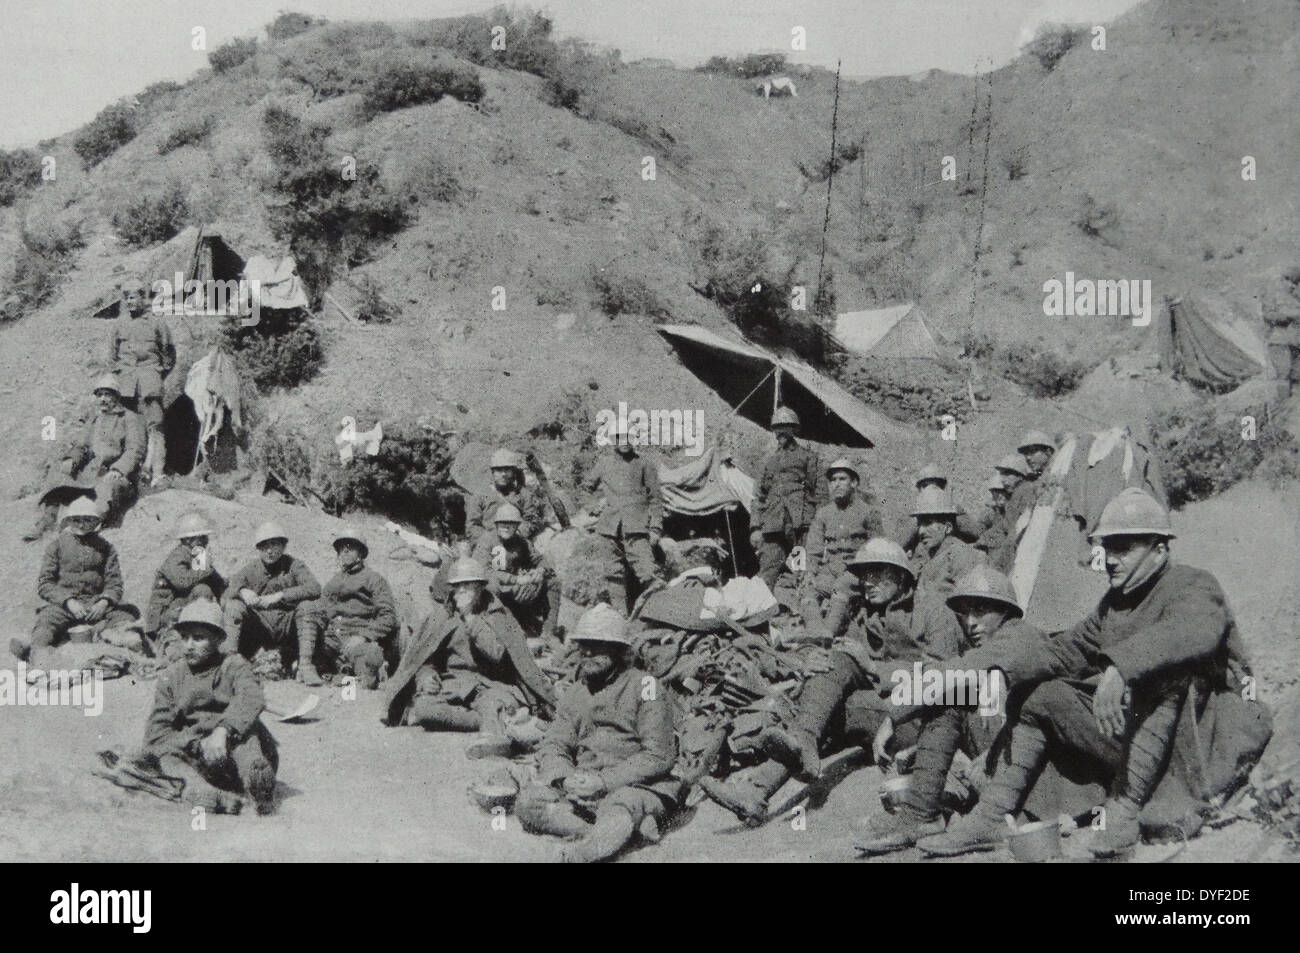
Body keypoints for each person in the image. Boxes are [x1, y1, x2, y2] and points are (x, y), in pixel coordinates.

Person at [918, 488, 1251, 858]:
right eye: (1107, 548)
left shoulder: (1192, 584)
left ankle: (1124, 810)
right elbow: (1065, 652)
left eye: (1124, 547)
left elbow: (1190, 633)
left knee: (1166, 676)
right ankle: (992, 817)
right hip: (1136, 740)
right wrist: (999, 671)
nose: (1110, 559)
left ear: (1160, 549)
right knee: (1038, 695)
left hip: (1198, 739)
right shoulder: (1115, 605)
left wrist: (1120, 667)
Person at [700, 538, 962, 826]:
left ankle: (763, 784)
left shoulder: (934, 611)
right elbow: (840, 656)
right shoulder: (866, 613)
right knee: (833, 666)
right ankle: (763, 785)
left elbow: (944, 676)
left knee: (829, 708)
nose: (867, 583)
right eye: (863, 575)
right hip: (875, 713)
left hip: (919, 721)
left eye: (876, 574)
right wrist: (808, 665)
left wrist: (874, 666)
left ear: (900, 575)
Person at [856, 564, 1042, 854]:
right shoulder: (996, 643)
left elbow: (955, 672)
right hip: (1008, 760)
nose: (971, 623)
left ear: (1006, 612)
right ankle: (921, 813)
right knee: (951, 695)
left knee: (952, 688)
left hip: (1039, 779)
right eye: (966, 613)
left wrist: (893, 715)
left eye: (980, 611)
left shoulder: (1019, 636)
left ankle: (923, 812)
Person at [515, 604, 680, 862]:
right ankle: (612, 833)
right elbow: (555, 743)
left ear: (620, 650)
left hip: (634, 785)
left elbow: (658, 755)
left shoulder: (645, 686)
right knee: (528, 801)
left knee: (622, 806)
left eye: (598, 645)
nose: (588, 652)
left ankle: (582, 855)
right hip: (581, 785)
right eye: (584, 645)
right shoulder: (576, 691)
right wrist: (564, 777)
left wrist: (604, 783)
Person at [383, 558, 556, 757]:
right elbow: (427, 659)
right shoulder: (443, 616)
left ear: (481, 587)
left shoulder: (498, 614)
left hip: (492, 686)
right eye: (457, 587)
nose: (462, 591)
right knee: (423, 709)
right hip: (454, 685)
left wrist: (470, 618)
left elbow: (496, 653)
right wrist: (426, 678)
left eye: (468, 586)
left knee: (493, 704)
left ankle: (495, 735)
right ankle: (496, 722)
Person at [143, 600, 278, 815]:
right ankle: (201, 789)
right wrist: (196, 745)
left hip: (233, 743)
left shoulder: (234, 665)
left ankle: (257, 783)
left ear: (218, 639)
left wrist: (223, 731)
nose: (189, 645)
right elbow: (157, 735)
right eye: (184, 637)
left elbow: (252, 696)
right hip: (196, 754)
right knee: (164, 756)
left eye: (198, 638)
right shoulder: (172, 676)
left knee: (248, 737)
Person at [16, 496, 141, 665]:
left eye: (87, 520)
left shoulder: (106, 548)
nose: (81, 525)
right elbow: (45, 583)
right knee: (46, 622)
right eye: (76, 520)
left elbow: (115, 583)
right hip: (64, 606)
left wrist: (104, 602)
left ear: (96, 521)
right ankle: (35, 651)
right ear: (68, 521)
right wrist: (68, 601)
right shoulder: (56, 546)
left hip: (95, 604)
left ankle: (114, 636)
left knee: (125, 616)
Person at [24, 375, 145, 541]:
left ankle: (91, 527)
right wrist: (72, 460)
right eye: (100, 395)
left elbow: (135, 450)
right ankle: (47, 521)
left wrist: (118, 469)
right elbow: (82, 446)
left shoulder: (129, 418)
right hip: (91, 474)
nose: (102, 399)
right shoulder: (95, 419)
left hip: (117, 476)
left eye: (107, 394)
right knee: (58, 474)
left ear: (116, 396)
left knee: (107, 487)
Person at [296, 527, 399, 688]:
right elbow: (322, 609)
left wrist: (364, 636)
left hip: (356, 639)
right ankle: (306, 667)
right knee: (307, 608)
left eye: (350, 548)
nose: (344, 551)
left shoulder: (374, 580)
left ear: (361, 554)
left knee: (367, 662)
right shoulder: (334, 582)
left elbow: (388, 617)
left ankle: (360, 674)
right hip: (331, 640)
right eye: (341, 548)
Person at [221, 521, 321, 677]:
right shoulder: (250, 569)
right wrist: (242, 591)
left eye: (274, 545)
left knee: (308, 607)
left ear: (283, 546)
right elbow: (225, 596)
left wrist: (280, 596)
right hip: (260, 626)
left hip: (288, 624)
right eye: (264, 546)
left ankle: (306, 666)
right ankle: (229, 663)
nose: (269, 551)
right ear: (259, 549)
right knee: (233, 606)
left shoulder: (294, 565)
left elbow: (314, 588)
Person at [584, 428, 662, 612]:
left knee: (648, 572)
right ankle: (620, 617)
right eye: (620, 437)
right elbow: (586, 488)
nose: (625, 441)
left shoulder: (644, 464)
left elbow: (656, 498)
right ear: (613, 440)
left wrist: (656, 528)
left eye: (629, 437)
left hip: (636, 528)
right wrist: (592, 506)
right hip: (608, 529)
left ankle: (655, 615)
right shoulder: (603, 463)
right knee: (613, 574)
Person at [109, 272, 175, 485]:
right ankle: (134, 472)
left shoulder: (157, 324)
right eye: (126, 297)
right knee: (132, 429)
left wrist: (155, 373)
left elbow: (169, 355)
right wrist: (122, 375)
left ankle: (158, 473)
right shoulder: (119, 325)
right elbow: (112, 357)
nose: (129, 301)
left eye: (133, 296)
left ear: (144, 298)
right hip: (127, 386)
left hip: (150, 382)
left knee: (155, 426)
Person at [799, 458, 883, 623]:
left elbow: (878, 548)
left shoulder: (868, 512)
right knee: (809, 591)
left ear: (854, 483)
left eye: (842, 479)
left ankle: (828, 633)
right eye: (832, 480)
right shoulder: (823, 514)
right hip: (830, 570)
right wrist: (810, 573)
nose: (836, 484)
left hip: (856, 571)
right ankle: (815, 631)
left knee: (840, 589)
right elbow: (813, 548)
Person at [749, 407, 821, 591]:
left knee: (800, 570)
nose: (780, 432)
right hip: (773, 525)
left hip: (800, 526)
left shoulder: (808, 457)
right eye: (776, 427)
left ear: (795, 430)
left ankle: (798, 612)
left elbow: (820, 492)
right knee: (768, 571)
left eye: (785, 427)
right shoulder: (768, 461)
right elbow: (758, 496)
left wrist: (819, 525)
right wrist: (755, 527)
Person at [472, 502, 560, 646]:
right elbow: (483, 571)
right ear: (496, 524)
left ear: (517, 526)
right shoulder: (486, 540)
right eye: (503, 523)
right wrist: (516, 580)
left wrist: (540, 571)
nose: (507, 527)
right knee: (491, 585)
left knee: (553, 582)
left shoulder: (521, 542)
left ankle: (548, 633)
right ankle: (498, 629)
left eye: (511, 524)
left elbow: (540, 559)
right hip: (495, 596)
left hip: (516, 594)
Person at [146, 512, 226, 658]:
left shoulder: (197, 556)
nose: (206, 541)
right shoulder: (178, 555)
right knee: (202, 590)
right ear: (190, 540)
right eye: (202, 538)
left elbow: (217, 582)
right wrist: (206, 569)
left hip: (181, 608)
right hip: (166, 613)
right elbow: (182, 582)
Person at [910, 485, 982, 619]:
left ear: (947, 528)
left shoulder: (961, 554)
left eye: (928, 523)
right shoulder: (930, 554)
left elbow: (969, 606)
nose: (921, 531)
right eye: (920, 524)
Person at [467, 449, 555, 541]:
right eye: (499, 470)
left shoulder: (523, 494)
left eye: (507, 470)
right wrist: (491, 539)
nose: (504, 474)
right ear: (492, 472)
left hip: (517, 542)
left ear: (513, 472)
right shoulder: (480, 495)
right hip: (489, 543)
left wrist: (515, 535)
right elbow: (472, 526)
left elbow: (531, 520)